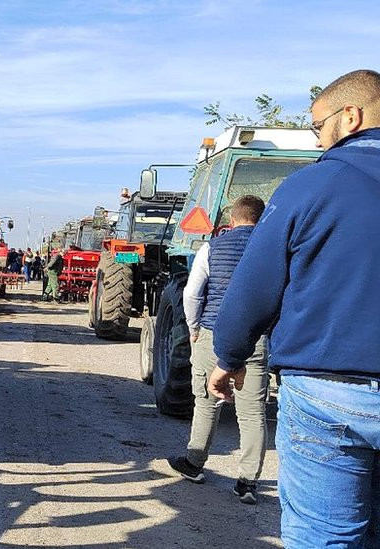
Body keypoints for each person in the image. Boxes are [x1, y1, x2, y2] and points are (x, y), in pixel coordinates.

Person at [209, 69, 380, 546]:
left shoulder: (310, 187)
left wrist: (228, 356)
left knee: (325, 536)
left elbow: (256, 288)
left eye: (317, 126)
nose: (318, 139)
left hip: (329, 390)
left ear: (350, 116)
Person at [166, 195, 268, 504]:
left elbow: (194, 292)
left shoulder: (212, 247)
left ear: (233, 220)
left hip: (213, 333)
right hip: (256, 337)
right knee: (252, 413)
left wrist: (194, 327)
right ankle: (247, 483)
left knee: (207, 402)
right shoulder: (270, 248)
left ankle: (194, 463)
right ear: (261, 219)